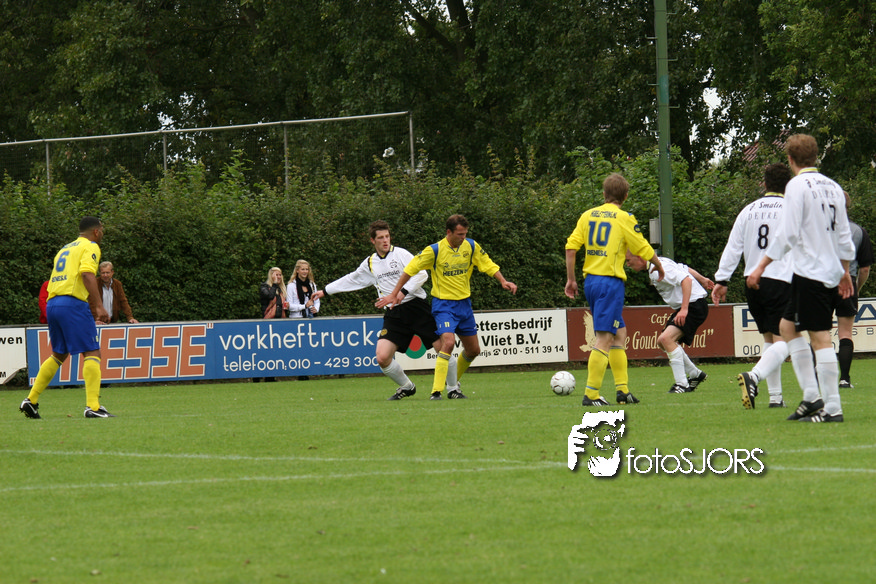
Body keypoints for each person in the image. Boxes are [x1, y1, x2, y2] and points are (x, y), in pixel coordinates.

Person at [746, 134, 855, 422]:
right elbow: (844, 235)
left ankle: (832, 408)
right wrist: (845, 270)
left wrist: (760, 266)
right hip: (826, 271)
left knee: (819, 338)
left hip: (811, 272)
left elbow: (788, 234)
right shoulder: (833, 187)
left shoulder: (796, 185)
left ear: (790, 159)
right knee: (786, 327)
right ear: (815, 156)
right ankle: (810, 397)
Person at [311, 220, 458, 400]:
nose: (385, 240)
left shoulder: (401, 254)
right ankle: (407, 387)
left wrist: (401, 293)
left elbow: (421, 274)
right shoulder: (370, 263)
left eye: (387, 236)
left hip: (416, 307)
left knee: (443, 348)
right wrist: (325, 291)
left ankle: (453, 389)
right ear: (372, 241)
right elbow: (352, 279)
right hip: (395, 313)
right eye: (380, 238)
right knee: (382, 357)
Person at [376, 214, 517, 400]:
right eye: (460, 234)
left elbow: (487, 264)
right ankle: (439, 391)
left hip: (464, 305)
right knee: (448, 343)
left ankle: (453, 384)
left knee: (474, 350)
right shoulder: (434, 250)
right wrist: (395, 293)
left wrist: (503, 281)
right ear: (449, 232)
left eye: (465, 234)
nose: (463, 238)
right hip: (443, 305)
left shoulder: (471, 246)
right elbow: (410, 270)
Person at [564, 173, 664, 407]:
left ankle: (622, 391)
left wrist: (571, 280)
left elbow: (571, 248)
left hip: (591, 282)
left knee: (619, 333)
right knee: (604, 338)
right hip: (610, 283)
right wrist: (658, 266)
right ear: (625, 196)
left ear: (604, 194)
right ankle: (591, 394)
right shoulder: (624, 218)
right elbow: (643, 247)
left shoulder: (587, 215)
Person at [712, 163, 794, 408]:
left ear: (764, 183)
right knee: (788, 340)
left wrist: (722, 280)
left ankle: (776, 398)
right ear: (788, 185)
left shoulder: (748, 210)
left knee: (770, 339)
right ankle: (754, 376)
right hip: (781, 279)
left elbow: (733, 247)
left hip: (752, 281)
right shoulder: (791, 209)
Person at [20, 216, 115, 419]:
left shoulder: (65, 248)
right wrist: (99, 306)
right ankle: (93, 407)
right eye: (102, 229)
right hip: (72, 303)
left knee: (59, 354)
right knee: (92, 351)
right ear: (96, 231)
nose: (102, 233)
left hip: (53, 304)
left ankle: (31, 400)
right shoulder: (90, 246)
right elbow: (87, 274)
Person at [626, 253, 712, 393]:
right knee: (662, 341)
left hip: (693, 306)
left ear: (640, 257)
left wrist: (684, 309)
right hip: (691, 305)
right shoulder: (659, 263)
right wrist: (702, 279)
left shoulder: (658, 268)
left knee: (666, 339)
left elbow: (686, 280)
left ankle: (682, 384)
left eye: (628, 260)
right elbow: (684, 269)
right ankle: (695, 374)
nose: (627, 264)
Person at [835, 191, 873, 389]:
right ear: (848, 206)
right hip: (848, 282)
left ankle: (818, 380)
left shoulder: (820, 229)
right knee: (845, 333)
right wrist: (856, 287)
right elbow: (865, 269)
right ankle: (844, 379)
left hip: (821, 282)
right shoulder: (858, 231)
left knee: (819, 333)